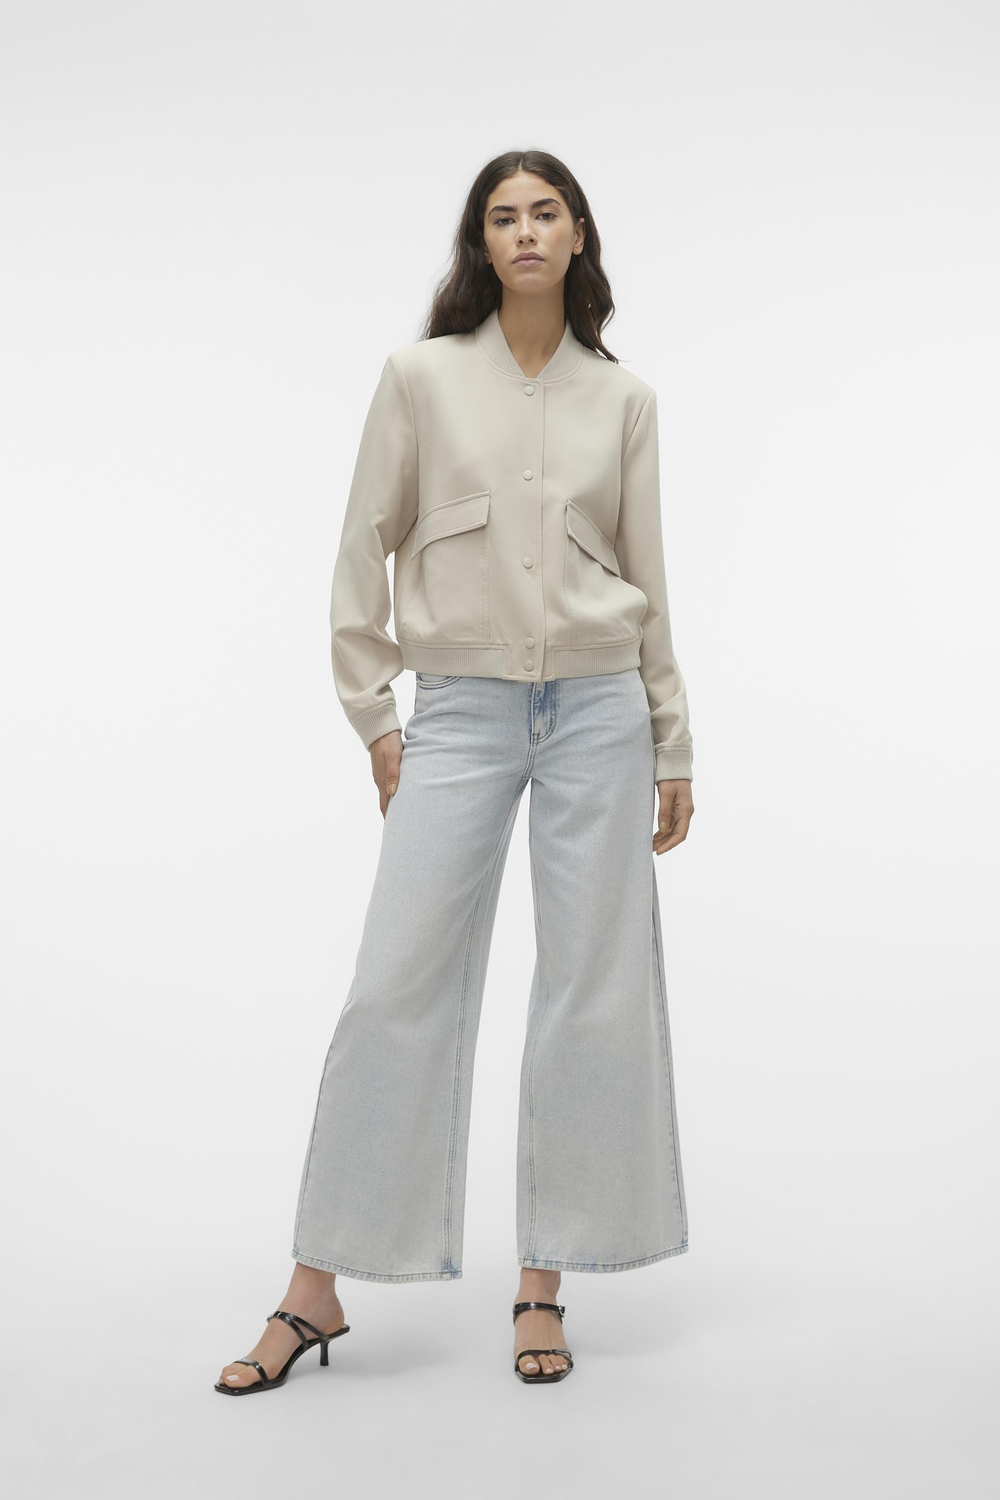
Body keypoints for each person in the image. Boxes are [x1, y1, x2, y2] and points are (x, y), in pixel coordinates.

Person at [216, 147, 695, 1393]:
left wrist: (672, 738)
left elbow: (650, 577)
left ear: (577, 235)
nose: (525, 231)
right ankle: (314, 1289)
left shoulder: (624, 400)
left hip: (599, 709)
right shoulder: (419, 378)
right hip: (461, 712)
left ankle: (542, 1285)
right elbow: (359, 547)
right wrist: (376, 718)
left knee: (590, 993)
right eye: (502, 216)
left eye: (545, 213)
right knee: (394, 986)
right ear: (480, 244)